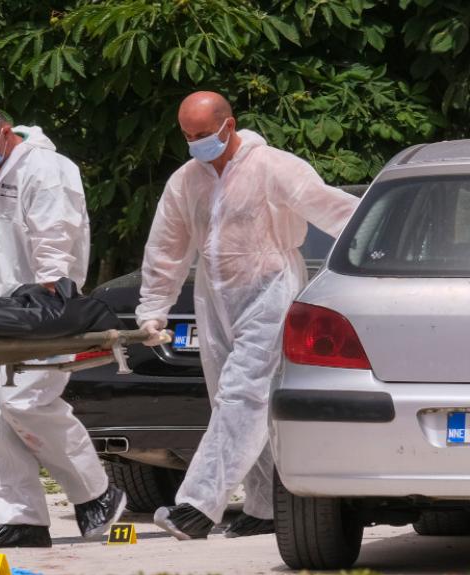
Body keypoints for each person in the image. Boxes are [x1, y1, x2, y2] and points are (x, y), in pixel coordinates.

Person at [136, 91, 359, 540]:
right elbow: (166, 247)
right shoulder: (185, 181)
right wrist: (154, 308)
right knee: (233, 401)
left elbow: (335, 209)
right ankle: (264, 507)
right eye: (188, 135)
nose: (196, 143)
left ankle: (198, 505)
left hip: (271, 288)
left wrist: (385, 243)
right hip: (214, 297)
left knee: (243, 395)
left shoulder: (273, 166)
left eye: (203, 133)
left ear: (229, 125)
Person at [0, 104, 128, 549]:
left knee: (25, 401)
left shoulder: (48, 170)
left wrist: (51, 298)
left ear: (6, 132)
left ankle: (96, 491)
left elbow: (55, 240)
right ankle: (21, 519)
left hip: (42, 303)